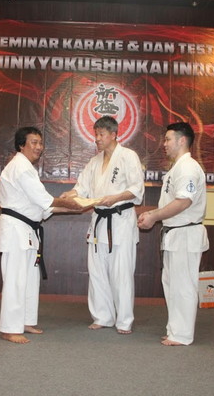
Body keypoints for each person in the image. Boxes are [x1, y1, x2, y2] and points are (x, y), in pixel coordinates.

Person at [0, 126, 82, 344]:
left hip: (27, 229)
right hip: (16, 229)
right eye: (33, 142)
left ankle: (25, 321)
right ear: (21, 145)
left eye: (40, 143)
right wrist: (72, 204)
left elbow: (44, 207)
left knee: (29, 280)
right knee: (15, 280)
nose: (38, 147)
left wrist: (77, 208)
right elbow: (47, 200)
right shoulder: (21, 167)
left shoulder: (26, 168)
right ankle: (9, 328)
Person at [61, 116, 144, 334]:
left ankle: (124, 321)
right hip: (99, 222)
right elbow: (82, 187)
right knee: (97, 272)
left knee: (121, 273)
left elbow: (136, 189)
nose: (97, 138)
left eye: (101, 134)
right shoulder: (94, 161)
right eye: (96, 134)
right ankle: (103, 316)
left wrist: (115, 198)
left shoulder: (128, 156)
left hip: (120, 220)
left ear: (114, 134)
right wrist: (70, 194)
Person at [137, 122, 209, 346]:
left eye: (168, 139)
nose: (164, 144)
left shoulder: (188, 168)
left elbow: (183, 202)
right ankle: (175, 330)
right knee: (172, 284)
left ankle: (182, 335)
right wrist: (153, 214)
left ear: (182, 140)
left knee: (183, 286)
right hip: (174, 233)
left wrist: (154, 216)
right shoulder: (177, 168)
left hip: (185, 233)